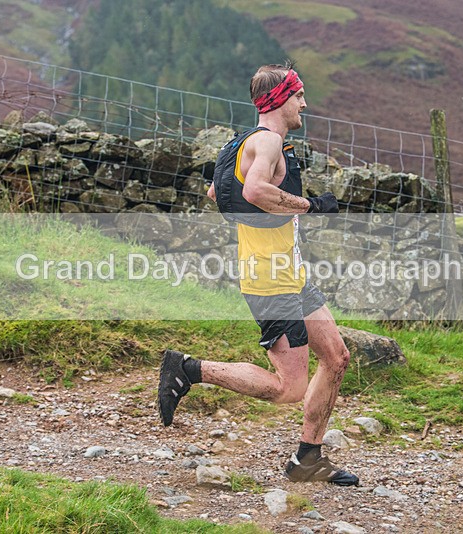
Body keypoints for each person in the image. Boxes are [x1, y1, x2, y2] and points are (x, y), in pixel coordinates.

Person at [157, 62, 358, 486]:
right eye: (299, 95)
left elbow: (218, 192)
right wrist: (310, 206)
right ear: (281, 98)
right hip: (270, 280)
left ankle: (308, 458)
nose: (305, 103)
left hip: (290, 272)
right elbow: (253, 191)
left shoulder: (240, 144)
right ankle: (189, 369)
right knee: (289, 387)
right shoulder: (267, 142)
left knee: (336, 357)